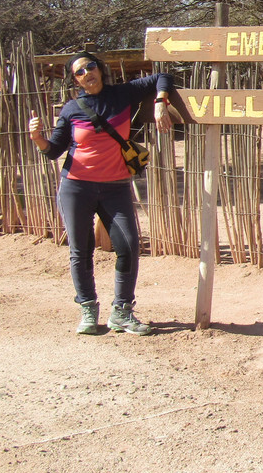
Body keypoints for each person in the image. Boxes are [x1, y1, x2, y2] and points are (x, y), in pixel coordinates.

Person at [28, 51, 174, 336]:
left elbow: (162, 77)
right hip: (76, 187)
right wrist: (37, 138)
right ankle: (87, 310)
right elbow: (54, 150)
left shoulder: (122, 94)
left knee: (129, 246)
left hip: (115, 187)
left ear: (100, 69)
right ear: (75, 80)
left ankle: (121, 312)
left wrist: (160, 103)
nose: (86, 74)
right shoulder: (71, 108)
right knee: (80, 251)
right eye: (79, 72)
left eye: (90, 67)